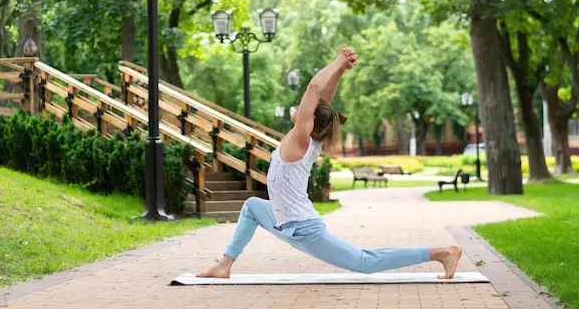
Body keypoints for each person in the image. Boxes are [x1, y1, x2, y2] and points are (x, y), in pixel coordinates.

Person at [197, 48, 462, 279]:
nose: (299, 108)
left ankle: (442, 252)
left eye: (305, 109)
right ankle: (224, 264)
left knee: (365, 262)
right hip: (282, 221)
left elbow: (314, 90)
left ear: (309, 120)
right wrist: (342, 70)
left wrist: (337, 61)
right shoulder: (309, 139)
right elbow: (324, 99)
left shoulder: (301, 140)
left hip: (303, 229)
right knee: (253, 206)